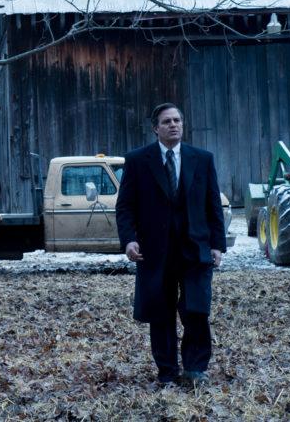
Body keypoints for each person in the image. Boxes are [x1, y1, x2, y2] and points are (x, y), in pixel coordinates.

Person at [115, 103, 227, 388]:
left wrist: (217, 244)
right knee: (161, 313)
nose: (173, 125)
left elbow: (213, 203)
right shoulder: (138, 161)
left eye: (177, 120)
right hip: (155, 252)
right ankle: (166, 372)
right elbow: (125, 206)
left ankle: (195, 369)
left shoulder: (202, 159)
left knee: (196, 310)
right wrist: (129, 240)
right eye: (167, 122)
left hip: (195, 250)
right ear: (156, 128)